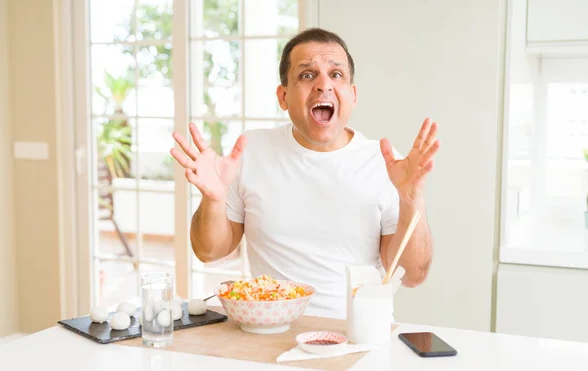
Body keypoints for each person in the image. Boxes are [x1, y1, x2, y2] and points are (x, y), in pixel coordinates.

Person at [170, 28, 440, 319]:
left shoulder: (385, 164)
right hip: (270, 332)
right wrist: (213, 199)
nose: (324, 85)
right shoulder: (251, 151)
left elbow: (412, 275)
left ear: (352, 94)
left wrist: (412, 199)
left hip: (356, 335)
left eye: (336, 75)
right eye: (307, 75)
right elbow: (209, 252)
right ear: (283, 96)